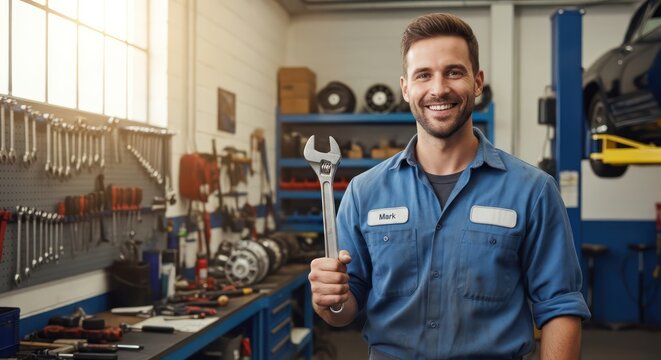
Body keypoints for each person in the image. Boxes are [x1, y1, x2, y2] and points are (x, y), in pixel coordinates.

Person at [308, 12, 591, 359]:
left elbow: (560, 307)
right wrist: (330, 299)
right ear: (405, 87)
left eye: (453, 72)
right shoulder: (364, 192)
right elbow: (345, 310)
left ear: (477, 82)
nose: (438, 89)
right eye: (423, 75)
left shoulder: (533, 191)